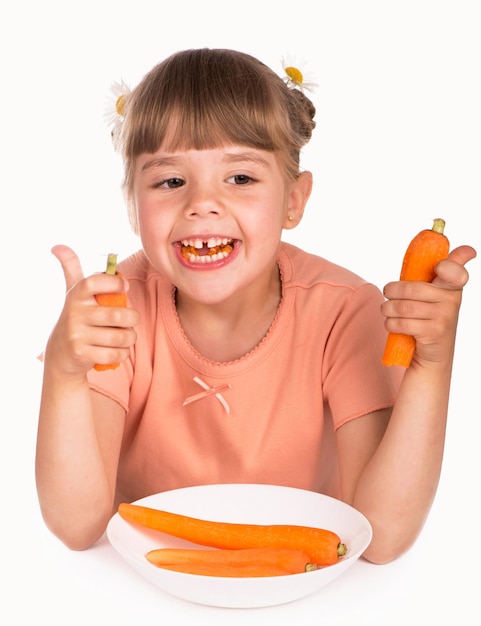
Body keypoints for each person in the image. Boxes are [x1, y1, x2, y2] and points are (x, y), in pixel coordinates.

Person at [35, 48, 476, 563]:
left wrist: (431, 364)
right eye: (170, 181)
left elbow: (380, 538)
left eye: (240, 178)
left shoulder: (344, 311)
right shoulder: (117, 309)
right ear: (133, 203)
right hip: (156, 573)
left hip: (300, 572)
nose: (202, 202)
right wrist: (64, 372)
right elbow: (76, 524)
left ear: (293, 201)